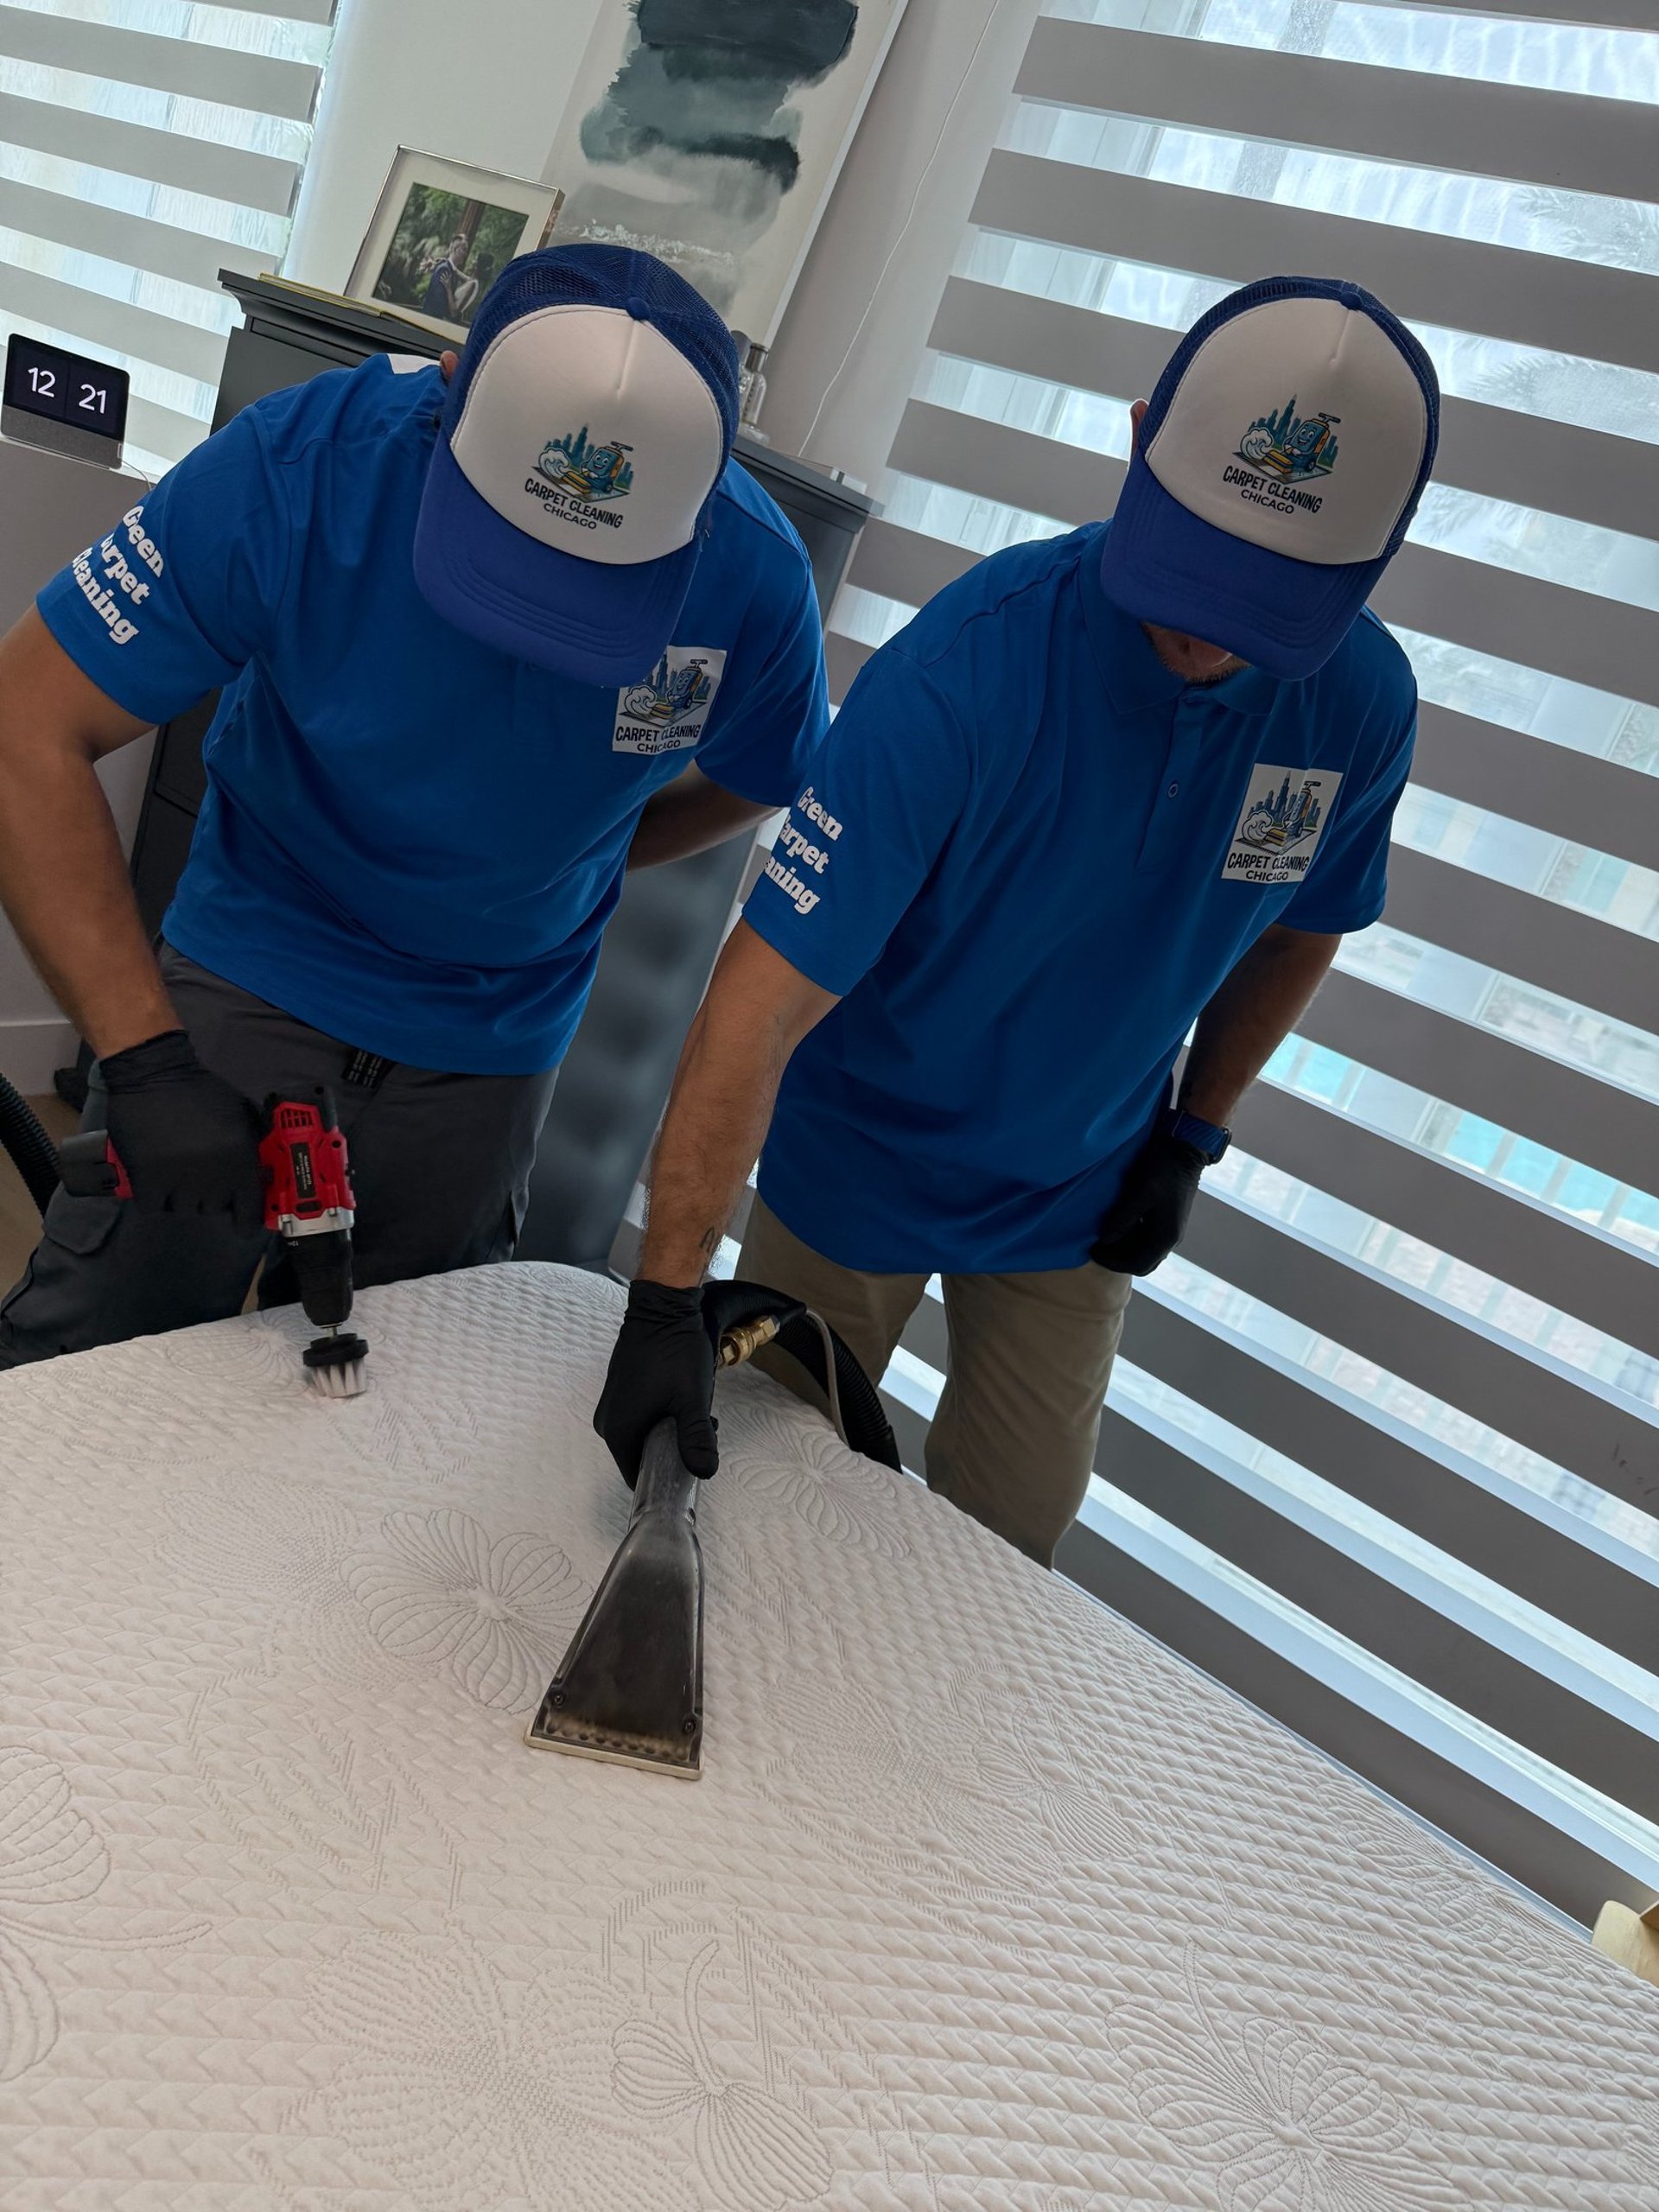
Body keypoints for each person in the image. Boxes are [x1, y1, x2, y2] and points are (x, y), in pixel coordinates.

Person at [594, 274, 1440, 1567]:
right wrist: (664, 1299)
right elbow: (756, 1010)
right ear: (1145, 433)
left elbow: (1299, 926)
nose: (1205, 633)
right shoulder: (967, 676)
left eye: (1260, 599)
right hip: (861, 1165)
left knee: (1012, 1544)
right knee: (768, 1519)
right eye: (1194, 569)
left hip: (1078, 1183)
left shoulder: (1360, 708)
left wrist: (1195, 1136)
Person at [0, 244, 828, 1364]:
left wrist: (583, 854)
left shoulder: (757, 583)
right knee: (83, 1361)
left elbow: (759, 775)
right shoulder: (304, 468)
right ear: (451, 383)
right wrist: (143, 1057)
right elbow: (24, 730)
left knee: (403, 1403)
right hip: (254, 977)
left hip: (491, 1052)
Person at [422, 232, 477, 323]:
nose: (465, 254)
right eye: (464, 250)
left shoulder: (451, 270)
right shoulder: (444, 269)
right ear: (456, 249)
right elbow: (438, 303)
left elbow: (471, 281)